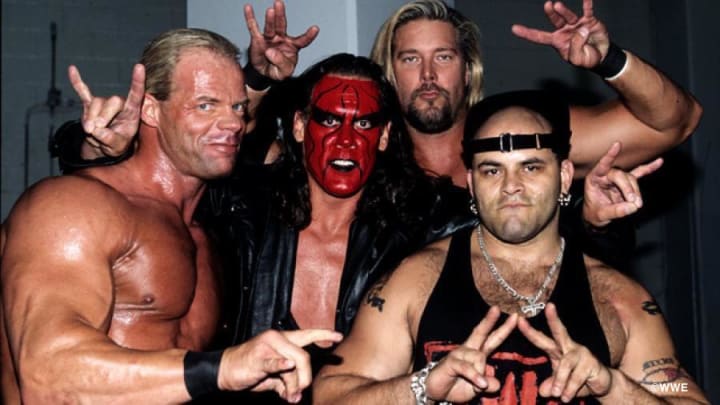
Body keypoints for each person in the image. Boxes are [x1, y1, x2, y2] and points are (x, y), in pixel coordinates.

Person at [0, 28, 342, 405]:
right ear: (150, 110)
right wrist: (225, 368)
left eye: (237, 107)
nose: (232, 123)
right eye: (206, 105)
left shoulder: (211, 229)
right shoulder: (72, 207)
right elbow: (48, 376)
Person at [313, 90, 709, 404]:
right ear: (471, 184)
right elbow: (330, 394)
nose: (511, 186)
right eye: (492, 170)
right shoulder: (415, 279)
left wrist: (613, 387)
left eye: (531, 167)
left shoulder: (618, 296)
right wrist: (421, 388)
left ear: (565, 176)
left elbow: (682, 395)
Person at [370, 0, 701, 187]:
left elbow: (676, 122)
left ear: (468, 71)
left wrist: (609, 60)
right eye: (410, 59)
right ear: (390, 73)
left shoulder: (521, 134)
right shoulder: (365, 160)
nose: (428, 74)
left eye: (443, 57)